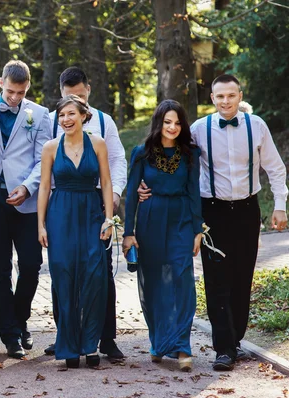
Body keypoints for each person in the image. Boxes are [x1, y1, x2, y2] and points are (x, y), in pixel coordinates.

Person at [138, 74, 288, 371]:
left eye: (231, 95)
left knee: (242, 277)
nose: (226, 101)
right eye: (220, 96)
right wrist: (147, 183)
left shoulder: (256, 126)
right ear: (212, 99)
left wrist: (280, 206)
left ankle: (235, 341)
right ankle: (224, 349)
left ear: (239, 95)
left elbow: (275, 167)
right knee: (216, 279)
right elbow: (172, 156)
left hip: (247, 209)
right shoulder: (198, 129)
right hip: (212, 212)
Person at [45, 66, 128, 359]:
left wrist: (114, 195)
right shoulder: (52, 122)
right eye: (69, 98)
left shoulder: (104, 122)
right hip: (63, 204)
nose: (75, 104)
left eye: (80, 97)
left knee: (100, 273)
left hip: (95, 202)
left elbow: (117, 159)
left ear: (88, 91)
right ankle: (65, 335)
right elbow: (41, 165)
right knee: (63, 272)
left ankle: (105, 338)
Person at [123, 100, 202, 372]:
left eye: (178, 122)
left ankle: (182, 346)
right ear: (159, 122)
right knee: (154, 280)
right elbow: (132, 194)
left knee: (182, 280)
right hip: (150, 219)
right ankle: (158, 341)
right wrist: (128, 234)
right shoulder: (142, 153)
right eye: (168, 122)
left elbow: (194, 193)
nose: (173, 127)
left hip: (181, 218)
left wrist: (197, 230)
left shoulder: (190, 153)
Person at [0, 60, 52, 359]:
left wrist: (27, 187)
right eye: (10, 91)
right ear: (0, 83)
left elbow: (43, 159)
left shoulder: (41, 114)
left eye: (21, 93)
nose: (14, 98)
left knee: (32, 265)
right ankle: (10, 335)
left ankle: (20, 320)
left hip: (25, 200)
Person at [37, 95, 113, 368]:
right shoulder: (50, 148)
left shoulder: (98, 144)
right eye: (62, 116)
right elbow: (45, 187)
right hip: (61, 216)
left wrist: (108, 219)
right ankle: (68, 345)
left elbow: (106, 182)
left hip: (92, 213)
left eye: (71, 114)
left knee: (94, 278)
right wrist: (40, 225)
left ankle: (90, 345)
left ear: (83, 115)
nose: (66, 120)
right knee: (64, 278)